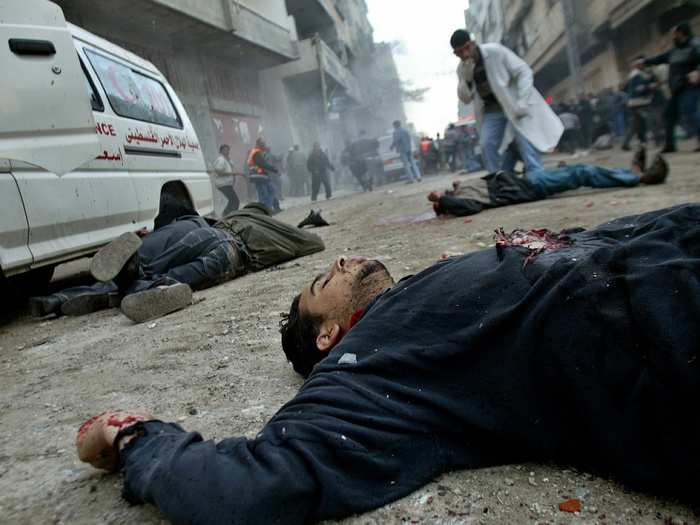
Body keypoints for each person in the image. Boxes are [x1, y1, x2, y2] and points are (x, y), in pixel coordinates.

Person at [77, 202, 700, 524]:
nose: (343, 259)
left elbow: (595, 241)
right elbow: (252, 488)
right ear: (327, 336)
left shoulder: (424, 294)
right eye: (327, 278)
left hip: (656, 260)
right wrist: (136, 439)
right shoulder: (365, 365)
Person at [30, 204, 325, 322]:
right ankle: (146, 288)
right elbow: (317, 243)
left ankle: (58, 298)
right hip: (231, 254)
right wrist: (308, 223)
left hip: (202, 232)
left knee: (150, 264)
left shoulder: (231, 217)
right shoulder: (280, 233)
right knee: (174, 276)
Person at [429, 150, 667, 218]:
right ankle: (639, 177)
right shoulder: (467, 201)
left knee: (578, 170)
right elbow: (467, 208)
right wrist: (442, 200)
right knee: (581, 173)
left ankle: (630, 173)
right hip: (532, 186)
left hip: (529, 179)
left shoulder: (464, 189)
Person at [452, 29, 563, 174]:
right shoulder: (462, 68)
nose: (465, 54)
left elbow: (524, 71)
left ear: (473, 43)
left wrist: (523, 101)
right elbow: (466, 99)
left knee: (524, 140)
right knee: (487, 144)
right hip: (492, 110)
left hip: (513, 104)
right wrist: (466, 80)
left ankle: (536, 175)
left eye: (466, 48)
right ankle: (497, 180)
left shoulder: (495, 51)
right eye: (459, 52)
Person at [640, 23, 700, 152]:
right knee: (669, 116)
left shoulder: (695, 45)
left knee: (689, 113)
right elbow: (659, 58)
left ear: (681, 33)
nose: (672, 36)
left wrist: (698, 72)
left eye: (674, 33)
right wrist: (645, 62)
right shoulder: (674, 51)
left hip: (690, 87)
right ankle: (670, 145)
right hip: (677, 88)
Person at [622, 56, 664, 150]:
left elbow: (626, 89)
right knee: (651, 121)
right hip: (641, 102)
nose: (643, 66)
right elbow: (639, 89)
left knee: (634, 125)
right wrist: (650, 86)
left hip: (633, 103)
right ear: (637, 65)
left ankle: (625, 143)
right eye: (641, 64)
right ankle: (658, 140)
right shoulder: (637, 75)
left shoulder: (635, 74)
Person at [247, 137, 280, 212]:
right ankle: (265, 210)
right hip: (259, 175)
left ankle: (268, 209)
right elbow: (263, 164)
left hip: (262, 175)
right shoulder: (256, 152)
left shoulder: (257, 152)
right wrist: (274, 169)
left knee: (271, 191)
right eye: (263, 144)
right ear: (258, 144)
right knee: (264, 195)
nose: (265, 145)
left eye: (264, 143)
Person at [212, 145, 240, 216]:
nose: (227, 151)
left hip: (226, 184)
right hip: (223, 184)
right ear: (221, 151)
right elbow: (219, 172)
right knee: (235, 201)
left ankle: (226, 215)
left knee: (233, 200)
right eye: (224, 150)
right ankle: (227, 215)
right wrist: (232, 173)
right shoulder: (221, 159)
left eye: (228, 150)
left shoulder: (227, 160)